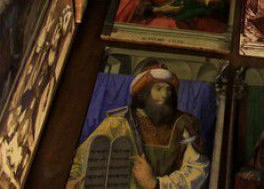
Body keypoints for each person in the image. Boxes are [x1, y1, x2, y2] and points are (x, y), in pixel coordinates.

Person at [67, 64, 210, 188]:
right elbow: (80, 160)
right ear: (144, 94)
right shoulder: (118, 122)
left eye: (169, 90)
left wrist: (156, 184)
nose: (165, 94)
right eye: (159, 89)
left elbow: (198, 170)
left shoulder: (184, 124)